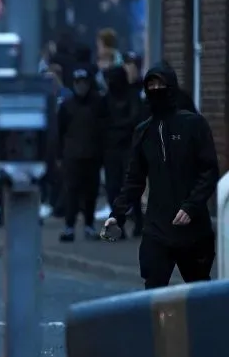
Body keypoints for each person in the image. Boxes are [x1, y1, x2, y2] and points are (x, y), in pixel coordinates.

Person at [104, 64, 219, 289]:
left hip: (192, 227)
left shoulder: (193, 124)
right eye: (151, 85)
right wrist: (117, 214)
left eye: (161, 84)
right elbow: (134, 179)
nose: (156, 89)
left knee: (198, 290)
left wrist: (191, 206)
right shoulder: (143, 132)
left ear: (172, 86)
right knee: (153, 290)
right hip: (157, 226)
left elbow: (209, 171)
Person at [99, 66, 144, 238]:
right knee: (113, 188)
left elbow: (135, 119)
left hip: (128, 147)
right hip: (112, 148)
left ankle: (138, 220)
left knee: (130, 186)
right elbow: (101, 122)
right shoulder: (106, 99)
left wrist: (116, 129)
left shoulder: (131, 96)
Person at [58, 68, 102, 242]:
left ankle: (89, 225)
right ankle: (69, 226)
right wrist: (59, 155)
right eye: (78, 83)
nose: (81, 86)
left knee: (91, 193)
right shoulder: (66, 105)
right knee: (72, 193)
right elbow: (60, 131)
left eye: (84, 83)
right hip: (72, 156)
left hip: (92, 154)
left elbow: (102, 128)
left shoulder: (97, 104)